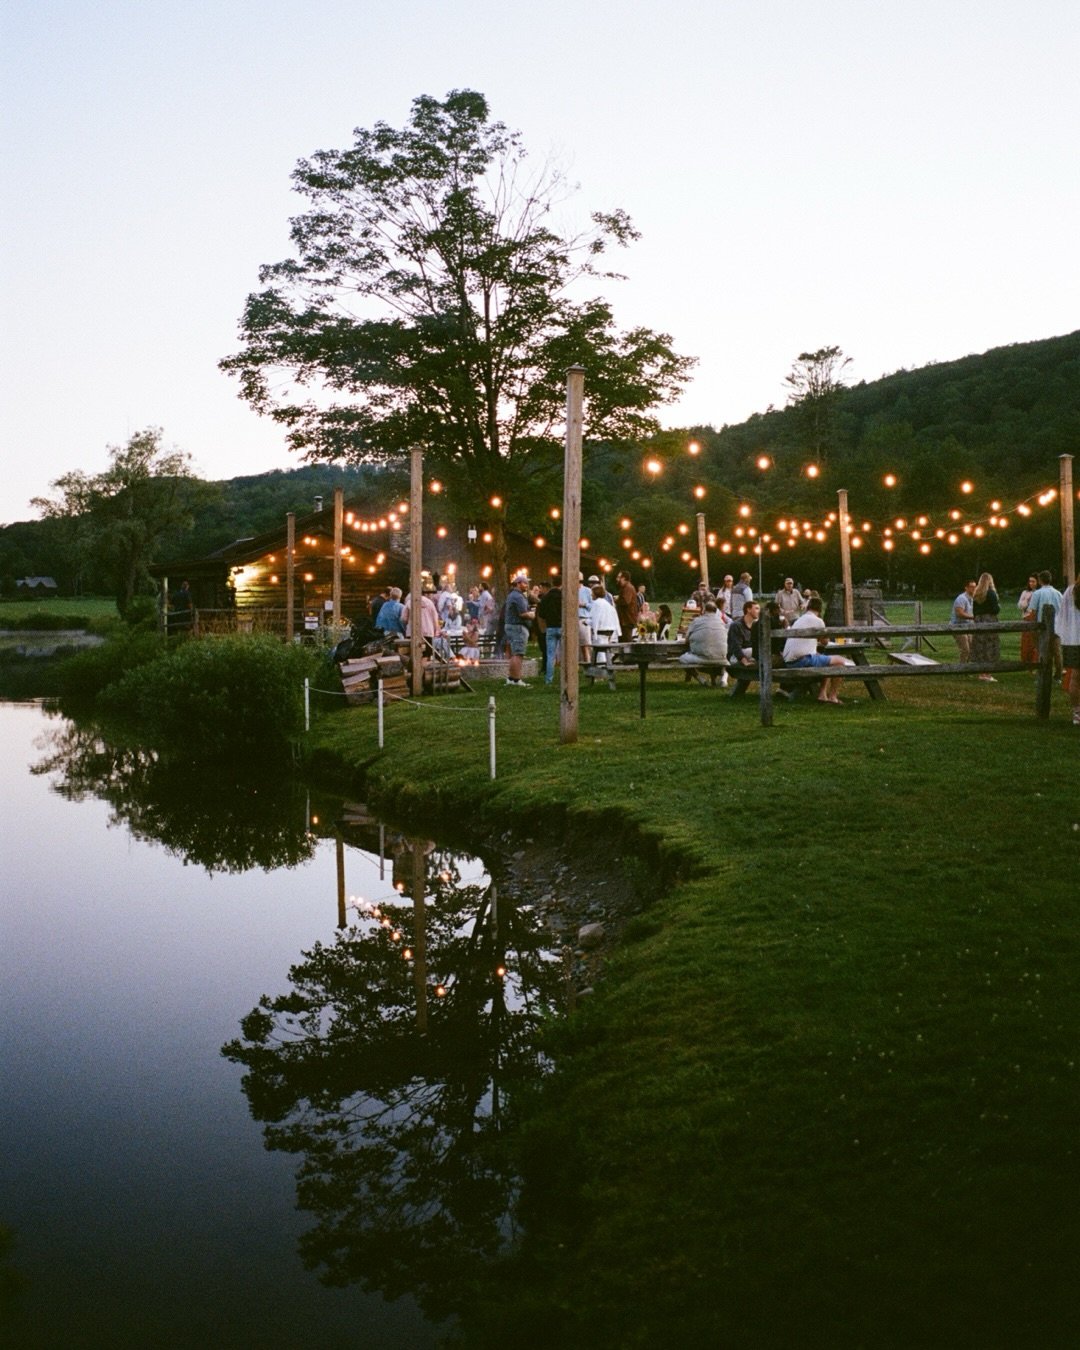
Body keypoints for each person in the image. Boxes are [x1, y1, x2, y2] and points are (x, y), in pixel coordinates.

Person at [782, 596, 853, 704]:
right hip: (801, 660)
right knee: (840, 662)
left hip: (789, 661)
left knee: (826, 660)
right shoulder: (818, 621)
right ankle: (832, 696)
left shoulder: (799, 620)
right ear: (820, 609)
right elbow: (825, 641)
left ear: (808, 608)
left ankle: (823, 694)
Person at [678, 601, 728, 685]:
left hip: (702, 658)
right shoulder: (721, 622)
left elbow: (687, 640)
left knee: (682, 658)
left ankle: (701, 680)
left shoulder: (697, 621)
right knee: (724, 656)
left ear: (704, 610)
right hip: (722, 658)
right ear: (716, 611)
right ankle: (724, 679)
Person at [1027, 570, 1064, 679]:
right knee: (1057, 651)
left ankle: (1044, 672)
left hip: (1042, 626)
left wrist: (1032, 627)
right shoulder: (1058, 593)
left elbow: (1033, 611)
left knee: (1043, 650)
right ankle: (1058, 674)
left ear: (1040, 580)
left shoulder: (1037, 593)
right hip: (1057, 626)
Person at [501, 573, 534, 686]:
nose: (527, 585)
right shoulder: (518, 596)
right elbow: (523, 613)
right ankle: (516, 679)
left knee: (514, 653)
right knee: (518, 653)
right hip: (518, 626)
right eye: (525, 583)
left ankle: (511, 678)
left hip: (511, 626)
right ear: (518, 584)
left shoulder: (512, 595)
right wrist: (533, 614)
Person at [1058, 576, 1080, 726]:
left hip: (1074, 639)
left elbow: (1062, 615)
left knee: (1075, 676)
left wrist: (1064, 635)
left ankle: (1077, 713)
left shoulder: (1070, 591)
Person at [971, 572, 1000, 681]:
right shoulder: (991, 593)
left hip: (978, 620)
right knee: (989, 644)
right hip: (989, 620)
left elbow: (974, 611)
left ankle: (981, 672)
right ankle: (987, 673)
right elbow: (995, 609)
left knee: (980, 645)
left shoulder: (976, 595)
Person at [535, 580, 563, 686]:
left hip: (550, 627)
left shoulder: (545, 598)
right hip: (562, 627)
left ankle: (549, 680)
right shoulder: (563, 596)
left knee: (550, 655)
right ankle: (565, 678)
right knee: (564, 654)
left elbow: (541, 614)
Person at [588, 583, 620, 664]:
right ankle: (607, 664)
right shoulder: (608, 604)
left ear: (596, 594)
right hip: (609, 630)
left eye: (592, 593)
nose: (591, 595)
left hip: (600, 631)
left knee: (600, 652)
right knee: (606, 650)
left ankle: (601, 667)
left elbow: (595, 618)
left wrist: (587, 623)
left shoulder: (596, 604)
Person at [950, 580, 976, 662]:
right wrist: (973, 617)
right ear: (966, 588)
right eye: (971, 587)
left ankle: (966, 669)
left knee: (971, 649)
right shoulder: (961, 598)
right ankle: (962, 669)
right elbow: (959, 613)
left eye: (975, 587)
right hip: (958, 626)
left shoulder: (973, 599)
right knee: (965, 649)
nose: (974, 589)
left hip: (968, 626)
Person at [1018, 573, 1040, 667]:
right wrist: (1026, 601)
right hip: (1027, 617)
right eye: (1030, 581)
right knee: (1026, 641)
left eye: (1033, 581)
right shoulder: (1025, 592)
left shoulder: (1040, 592)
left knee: (1035, 642)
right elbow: (1019, 605)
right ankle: (1026, 662)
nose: (1031, 583)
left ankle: (1035, 662)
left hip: (1037, 618)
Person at [615, 570, 640, 642]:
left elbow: (626, 602)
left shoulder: (628, 588)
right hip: (625, 620)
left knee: (626, 641)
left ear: (624, 578)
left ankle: (628, 653)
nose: (617, 579)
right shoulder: (627, 588)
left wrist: (616, 600)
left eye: (619, 577)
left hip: (627, 620)